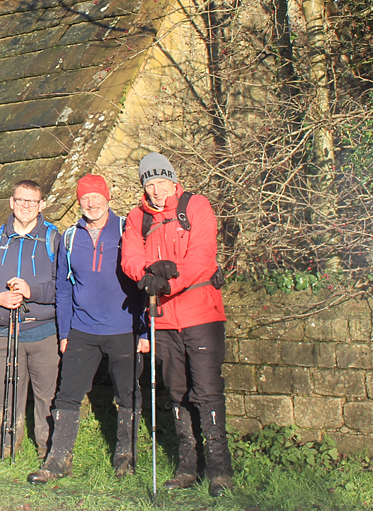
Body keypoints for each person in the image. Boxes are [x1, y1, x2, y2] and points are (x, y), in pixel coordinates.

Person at [121, 153, 232, 497]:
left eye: (161, 182)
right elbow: (130, 257)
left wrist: (170, 282)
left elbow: (203, 254)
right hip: (164, 319)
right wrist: (147, 275)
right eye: (149, 184)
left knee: (207, 390)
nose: (156, 191)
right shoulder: (137, 217)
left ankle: (219, 470)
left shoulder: (196, 206)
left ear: (173, 180)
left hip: (201, 314)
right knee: (176, 391)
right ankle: (188, 466)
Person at [29, 174, 147, 483]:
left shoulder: (127, 230)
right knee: (67, 395)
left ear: (108, 198)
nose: (91, 203)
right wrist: (65, 333)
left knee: (128, 394)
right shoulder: (70, 237)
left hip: (125, 328)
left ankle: (125, 457)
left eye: (96, 197)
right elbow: (63, 288)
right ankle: (58, 459)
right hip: (82, 329)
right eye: (85, 198)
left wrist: (145, 331)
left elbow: (144, 283)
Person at [0, 180, 60, 459]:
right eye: (20, 200)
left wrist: (33, 292)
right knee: (5, 392)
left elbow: (64, 285)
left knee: (46, 396)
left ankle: (47, 449)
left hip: (44, 332)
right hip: (2, 332)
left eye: (32, 201)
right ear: (11, 202)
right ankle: (7, 444)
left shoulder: (54, 239)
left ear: (41, 205)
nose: (25, 206)